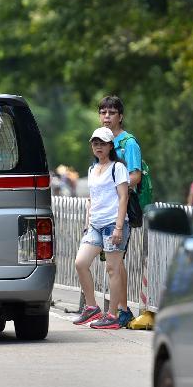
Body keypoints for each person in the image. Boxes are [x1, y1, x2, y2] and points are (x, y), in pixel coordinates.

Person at [72, 126, 131, 330]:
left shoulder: (118, 168)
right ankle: (91, 307)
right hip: (95, 224)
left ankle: (113, 315)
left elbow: (124, 197)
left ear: (110, 146)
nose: (98, 146)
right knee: (81, 262)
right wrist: (88, 224)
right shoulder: (92, 169)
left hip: (113, 224)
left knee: (113, 269)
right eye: (95, 143)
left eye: (102, 143)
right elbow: (92, 199)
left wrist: (119, 227)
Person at [97, 95, 140, 328]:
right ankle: (121, 309)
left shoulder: (128, 143)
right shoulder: (100, 141)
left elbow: (135, 175)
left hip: (121, 210)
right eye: (103, 112)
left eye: (111, 113)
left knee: (116, 261)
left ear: (120, 117)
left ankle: (122, 310)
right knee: (115, 262)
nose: (106, 117)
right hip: (104, 212)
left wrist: (116, 187)